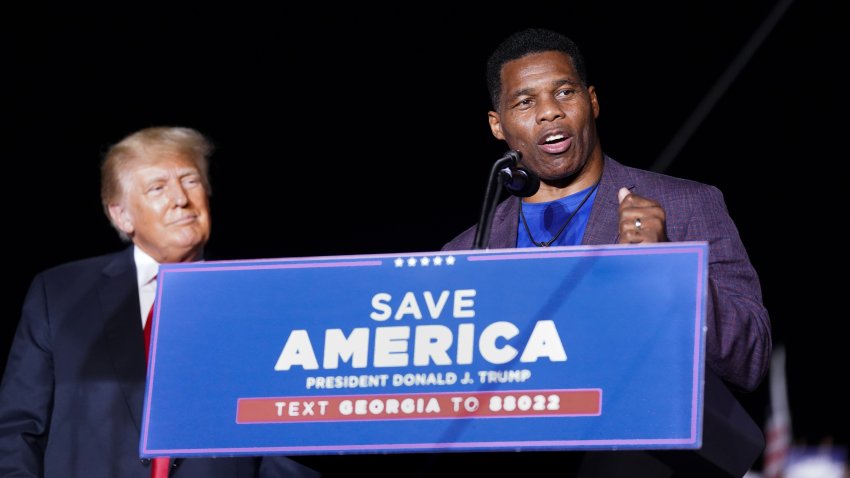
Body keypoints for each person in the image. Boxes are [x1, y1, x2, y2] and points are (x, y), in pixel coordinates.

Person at [439, 28, 772, 476]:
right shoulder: (466, 252)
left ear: (591, 102)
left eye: (564, 92)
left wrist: (669, 266)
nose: (549, 112)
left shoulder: (685, 205)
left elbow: (750, 357)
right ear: (498, 125)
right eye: (525, 102)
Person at [0, 126, 319, 477]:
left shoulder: (261, 298)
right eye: (158, 188)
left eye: (191, 181)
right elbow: (18, 429)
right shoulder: (59, 293)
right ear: (121, 215)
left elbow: (289, 438)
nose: (181, 199)